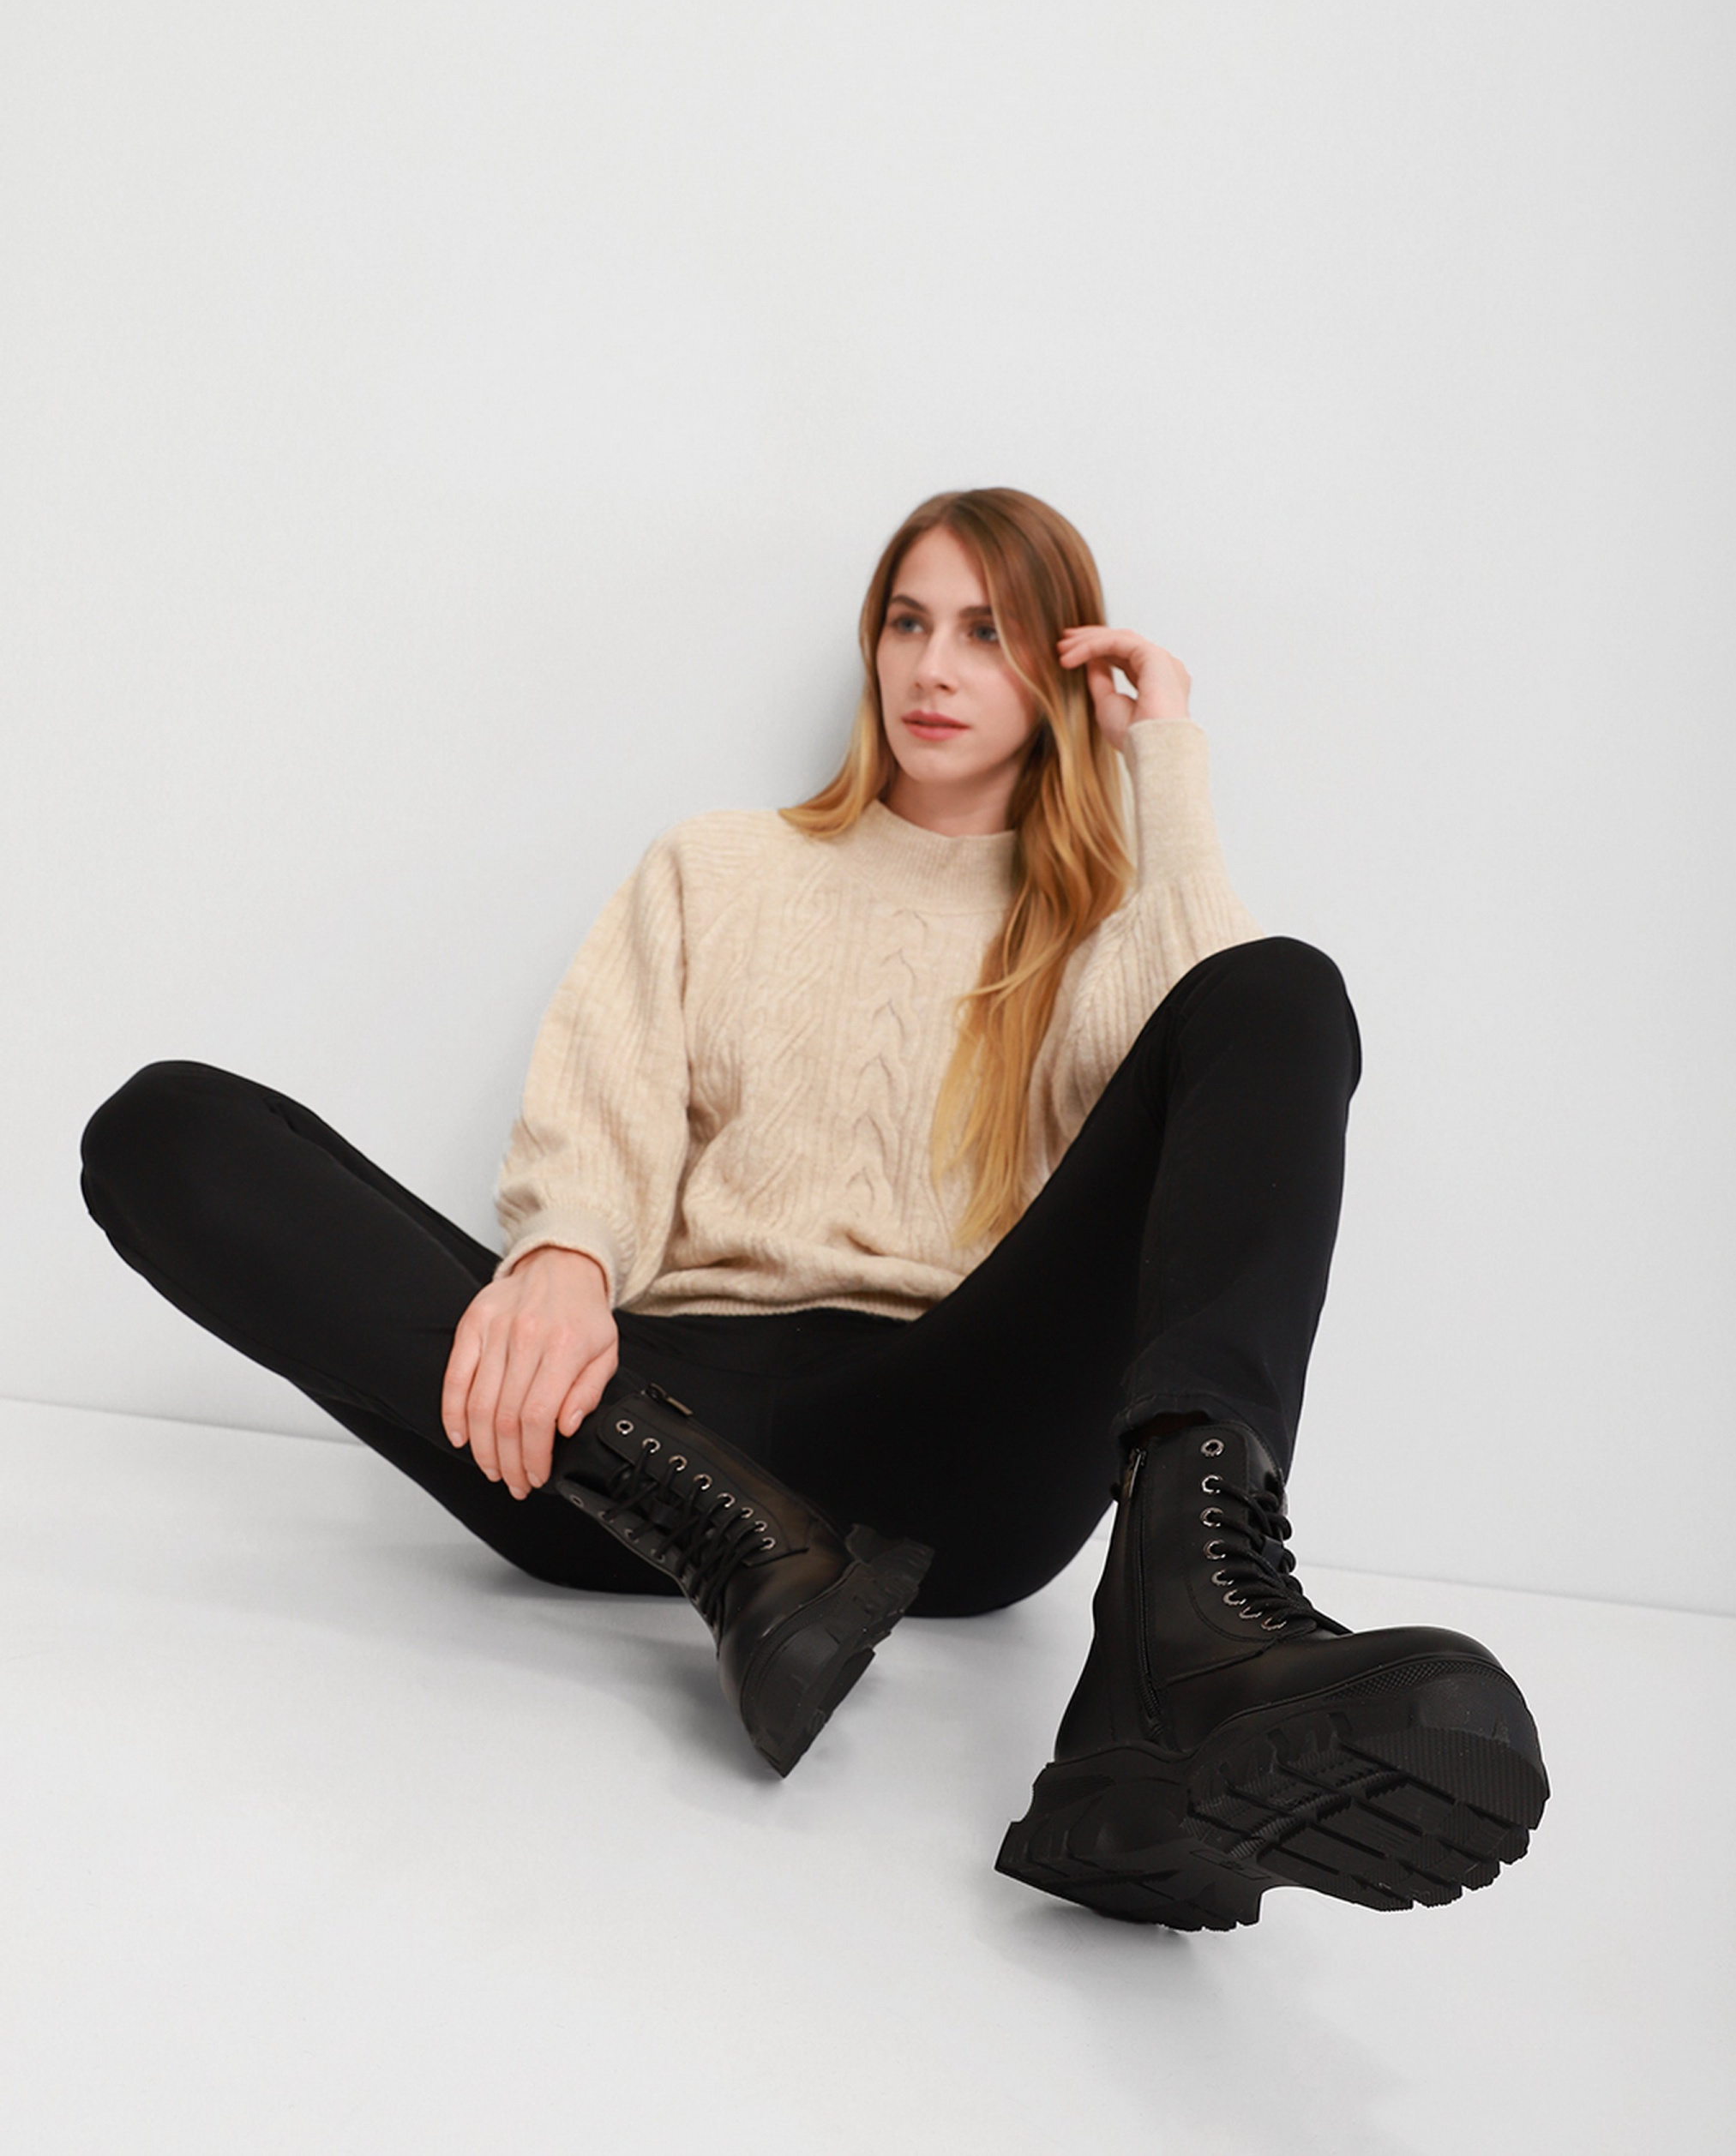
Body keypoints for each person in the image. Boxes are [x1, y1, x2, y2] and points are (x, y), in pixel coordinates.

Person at [79, 487, 1548, 1931]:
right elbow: (604, 1118)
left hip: (945, 1451)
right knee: (169, 1127)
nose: (932, 667)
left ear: (1058, 673)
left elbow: (1216, 1050)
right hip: (631, 1439)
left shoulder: (1101, 930)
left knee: (1281, 991)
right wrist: (564, 1260)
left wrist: (1161, 759)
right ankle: (738, 1543)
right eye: (907, 623)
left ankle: (1188, 1630)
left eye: (987, 632)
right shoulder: (715, 867)